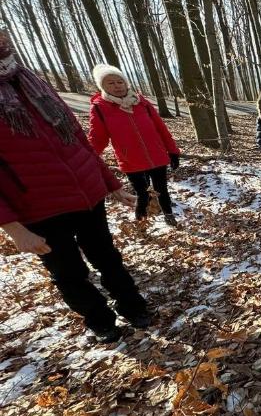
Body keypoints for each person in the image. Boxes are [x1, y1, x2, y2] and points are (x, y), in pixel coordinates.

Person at [0, 30, 150, 343]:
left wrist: (110, 183)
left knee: (107, 256)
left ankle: (133, 306)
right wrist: (13, 228)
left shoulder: (34, 82)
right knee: (69, 273)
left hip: (87, 193)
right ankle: (100, 320)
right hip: (37, 207)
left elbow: (78, 139)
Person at [88, 64, 181, 227]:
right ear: (102, 86)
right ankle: (141, 222)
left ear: (126, 83)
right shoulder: (100, 108)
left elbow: (161, 128)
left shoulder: (142, 103)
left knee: (162, 190)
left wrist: (173, 150)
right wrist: (87, 159)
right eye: (110, 83)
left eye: (119, 81)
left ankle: (169, 215)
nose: (117, 86)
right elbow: (97, 139)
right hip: (131, 161)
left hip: (157, 156)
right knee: (143, 194)